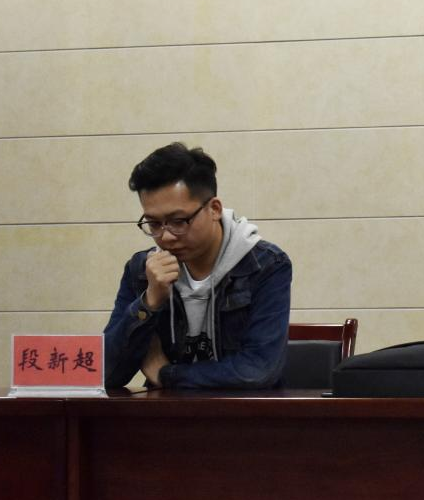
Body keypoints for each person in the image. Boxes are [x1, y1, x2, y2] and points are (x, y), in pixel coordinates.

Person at [104, 143, 292, 388]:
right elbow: (106, 374)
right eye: (154, 224)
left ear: (214, 209)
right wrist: (149, 302)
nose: (166, 236)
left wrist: (166, 374)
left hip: (242, 411)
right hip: (164, 411)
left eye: (178, 221)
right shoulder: (142, 270)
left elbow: (257, 370)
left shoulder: (265, 265)